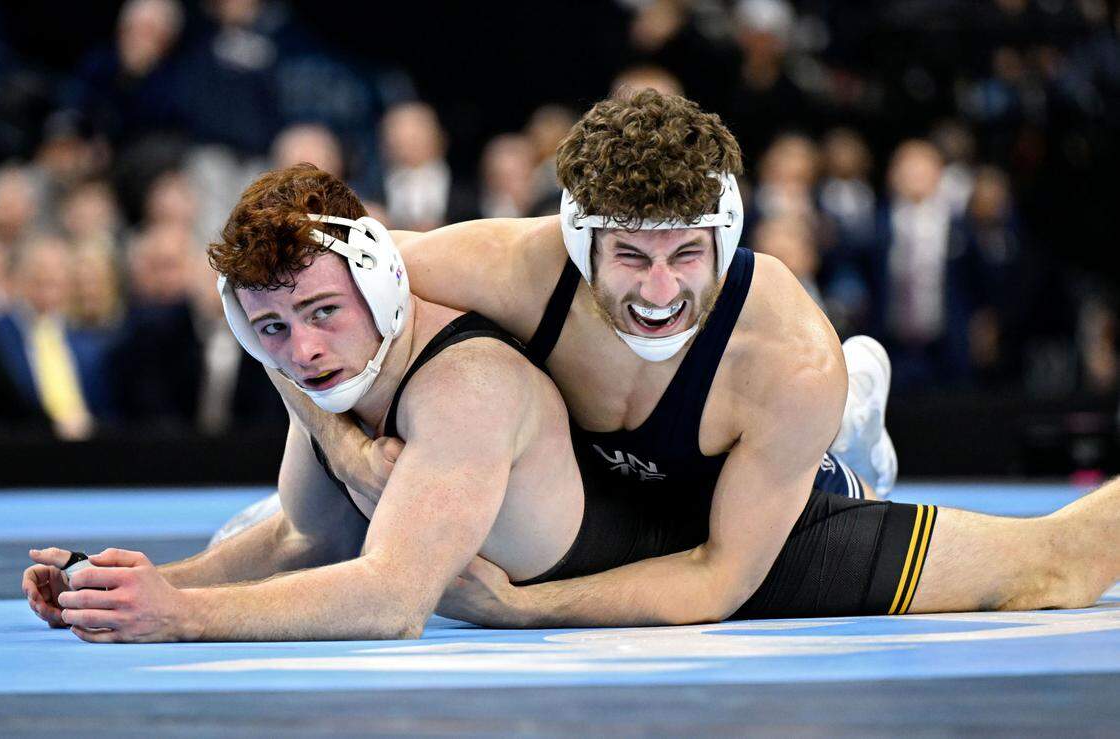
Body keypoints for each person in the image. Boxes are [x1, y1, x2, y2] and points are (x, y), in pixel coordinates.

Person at [21, 165, 1119, 641]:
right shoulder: (324, 317)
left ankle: (836, 447)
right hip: (625, 473)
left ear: (383, 277)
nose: (302, 352)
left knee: (1058, 572)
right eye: (271, 329)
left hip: (707, 539)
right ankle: (838, 450)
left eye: (317, 316)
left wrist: (186, 615)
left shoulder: (464, 371)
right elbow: (310, 532)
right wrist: (135, 587)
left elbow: (391, 596)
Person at [276, 91, 1113, 629]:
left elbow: (718, 580)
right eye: (631, 258)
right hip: (596, 489)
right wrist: (344, 445)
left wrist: (528, 608)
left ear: (727, 238)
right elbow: (265, 295)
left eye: (686, 255)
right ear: (578, 242)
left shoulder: (788, 357)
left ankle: (848, 430)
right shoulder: (512, 263)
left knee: (1049, 572)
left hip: (747, 502)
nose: (660, 292)